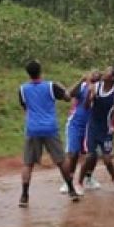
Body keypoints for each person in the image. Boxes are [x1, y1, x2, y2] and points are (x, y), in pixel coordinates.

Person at [18, 60, 78, 207]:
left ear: (29, 73)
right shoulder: (51, 86)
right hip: (50, 128)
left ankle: (24, 195)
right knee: (61, 160)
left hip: (32, 128)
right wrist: (64, 86)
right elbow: (68, 97)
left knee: (28, 163)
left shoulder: (22, 89)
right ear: (40, 70)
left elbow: (26, 108)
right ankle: (71, 189)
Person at [76, 66, 114, 194]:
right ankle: (79, 182)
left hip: (106, 130)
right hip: (93, 127)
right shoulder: (96, 87)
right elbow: (85, 106)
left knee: (107, 159)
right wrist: (89, 97)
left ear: (112, 77)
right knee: (90, 156)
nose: (104, 71)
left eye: (107, 71)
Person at [61, 70, 99, 195]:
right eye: (93, 73)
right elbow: (68, 94)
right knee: (73, 153)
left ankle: (89, 178)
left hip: (90, 125)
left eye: (98, 74)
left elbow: (89, 105)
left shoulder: (99, 90)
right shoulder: (82, 86)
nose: (95, 74)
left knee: (91, 154)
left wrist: (92, 93)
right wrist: (81, 80)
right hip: (75, 123)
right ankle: (69, 180)